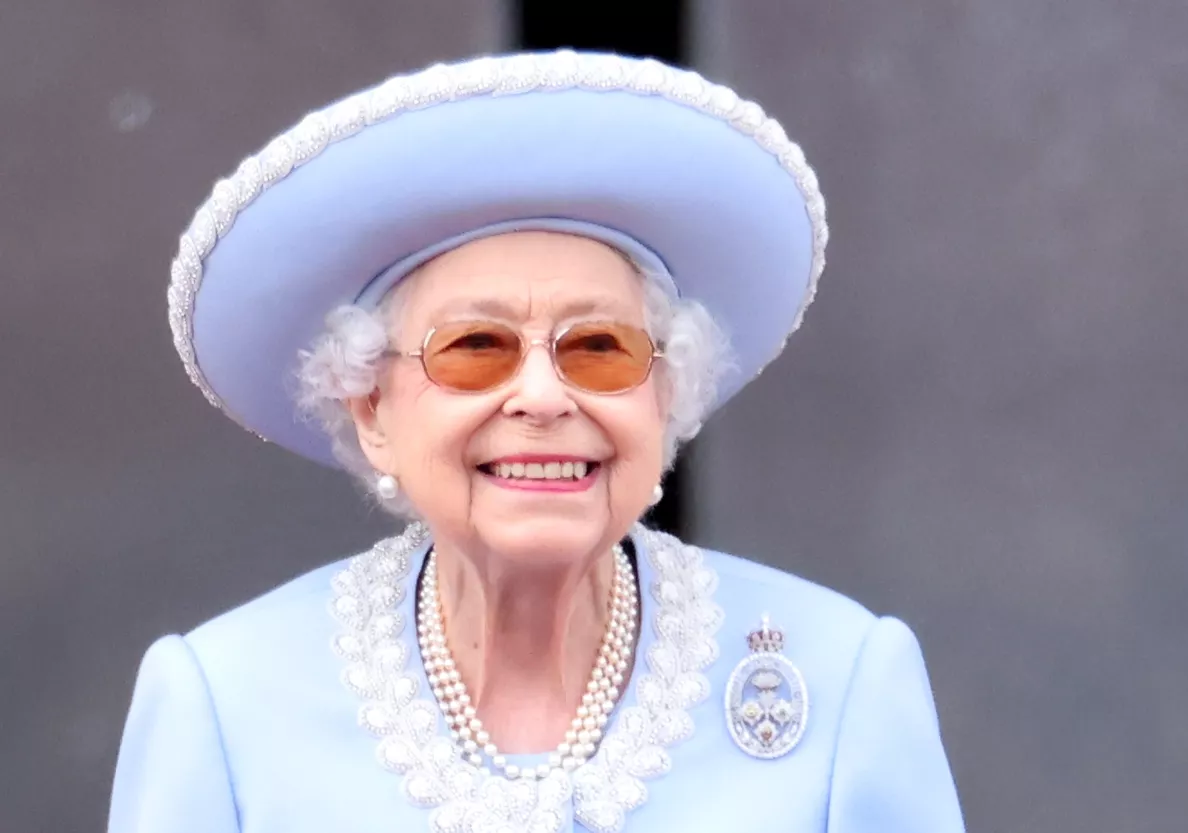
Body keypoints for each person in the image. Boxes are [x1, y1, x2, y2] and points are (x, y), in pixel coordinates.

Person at [110, 51, 965, 833]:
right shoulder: (224, 701)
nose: (544, 397)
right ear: (372, 408)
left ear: (665, 398)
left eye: (600, 348)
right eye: (474, 349)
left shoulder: (840, 676)